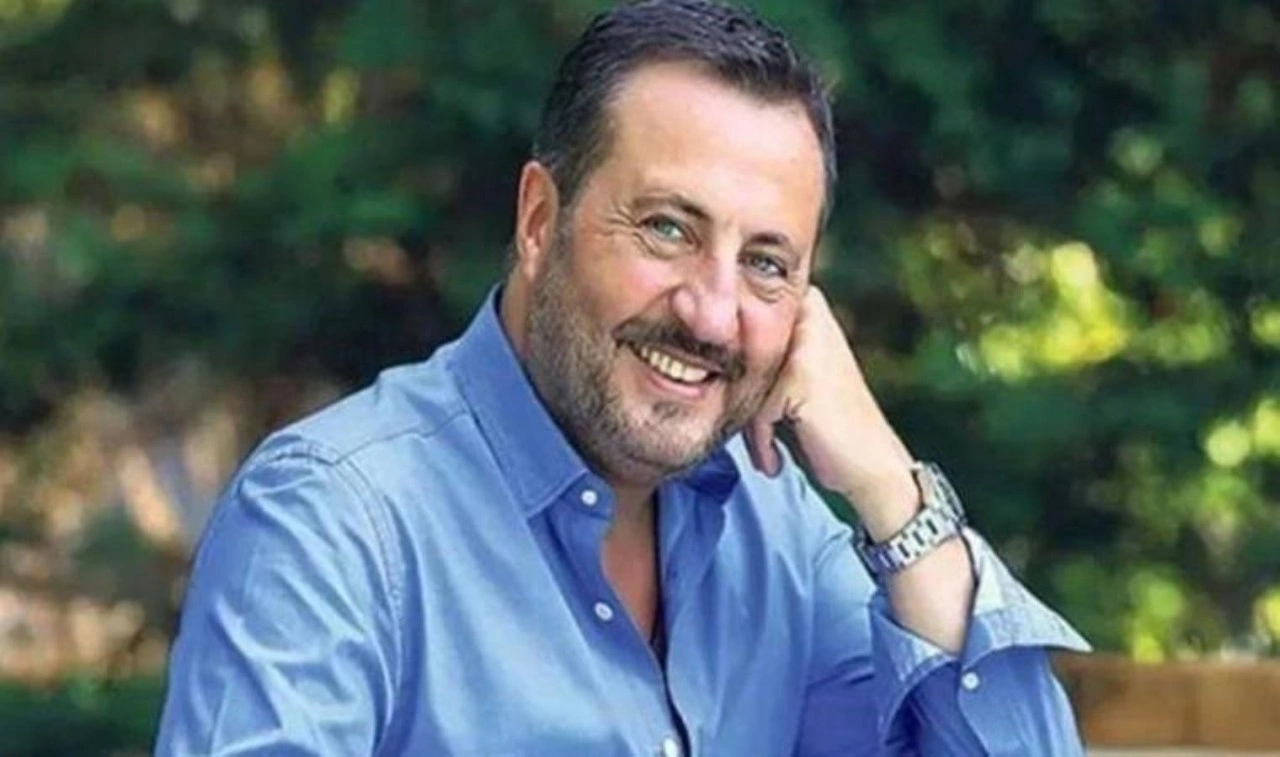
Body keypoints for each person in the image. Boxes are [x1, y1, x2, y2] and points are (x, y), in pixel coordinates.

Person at [155, 0, 1091, 754]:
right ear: (538, 221)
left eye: (766, 263)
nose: (713, 313)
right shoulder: (333, 519)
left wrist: (890, 485)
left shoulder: (776, 529)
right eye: (667, 228)